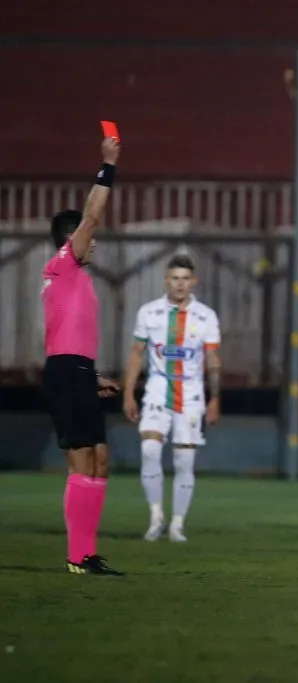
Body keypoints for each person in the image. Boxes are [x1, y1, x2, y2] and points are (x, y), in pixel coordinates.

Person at [41, 135, 124, 575]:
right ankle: (78, 556)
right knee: (82, 460)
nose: (94, 241)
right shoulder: (66, 262)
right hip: (65, 374)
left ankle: (87, 554)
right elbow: (93, 214)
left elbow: (63, 336)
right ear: (72, 238)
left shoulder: (72, 277)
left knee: (100, 460)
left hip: (76, 370)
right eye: (87, 237)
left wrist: (91, 377)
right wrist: (107, 166)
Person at [122, 254, 222, 542]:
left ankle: (177, 524)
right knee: (150, 451)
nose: (180, 284)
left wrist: (214, 398)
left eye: (185, 279)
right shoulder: (149, 313)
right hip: (157, 387)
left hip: (190, 393)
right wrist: (128, 392)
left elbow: (214, 359)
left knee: (184, 461)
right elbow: (136, 353)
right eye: (175, 278)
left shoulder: (206, 316)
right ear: (167, 280)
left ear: (194, 282)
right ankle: (156, 517)